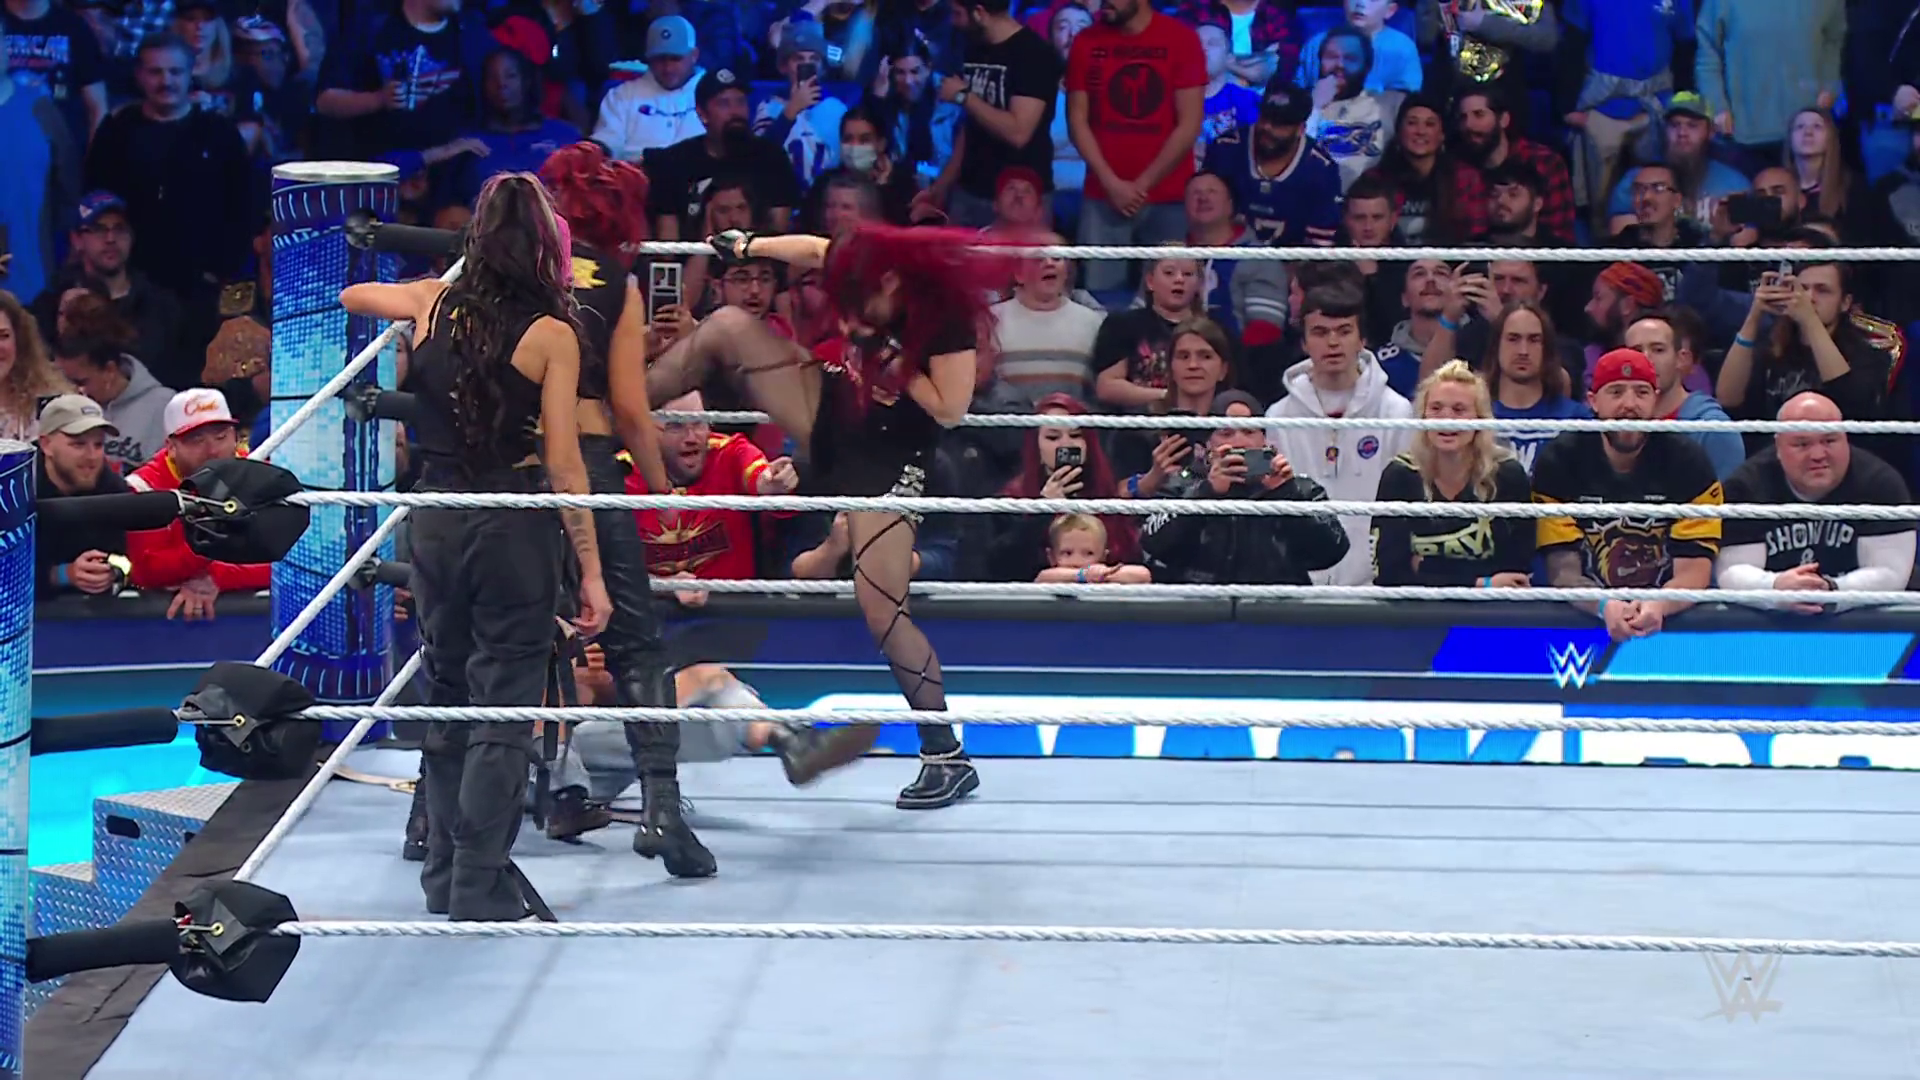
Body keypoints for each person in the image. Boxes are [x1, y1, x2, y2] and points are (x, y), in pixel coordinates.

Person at [641, 223, 999, 811]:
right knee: (728, 325)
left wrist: (894, 361)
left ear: (892, 284)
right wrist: (748, 246)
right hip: (837, 408)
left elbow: (952, 409)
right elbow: (812, 249)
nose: (851, 315)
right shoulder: (862, 266)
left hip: (889, 453)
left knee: (882, 609)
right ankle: (614, 410)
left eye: (862, 304)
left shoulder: (944, 320)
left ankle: (946, 755)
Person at [338, 172, 610, 923]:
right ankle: (477, 884)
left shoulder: (432, 303)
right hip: (510, 522)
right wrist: (591, 570)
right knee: (502, 708)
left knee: (450, 694)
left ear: (477, 243)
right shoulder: (552, 334)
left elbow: (353, 295)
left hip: (436, 517)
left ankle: (444, 876)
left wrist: (434, 288)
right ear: (548, 247)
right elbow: (565, 463)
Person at [534, 141, 714, 878]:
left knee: (496, 635)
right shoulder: (614, 279)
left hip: (506, 469)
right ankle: (661, 811)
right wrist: (662, 492)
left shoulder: (505, 267)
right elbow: (634, 412)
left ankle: (432, 816)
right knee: (637, 643)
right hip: (589, 462)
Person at [1532, 348, 1724, 643]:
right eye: (1616, 392)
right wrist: (1603, 606)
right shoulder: (1560, 461)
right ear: (1593, 401)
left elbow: (1694, 570)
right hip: (1583, 624)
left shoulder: (1688, 462)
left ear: (1655, 399)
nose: (1630, 404)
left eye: (1641, 392)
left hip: (1669, 624)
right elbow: (1562, 571)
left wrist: (1659, 604)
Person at [1717, 392, 1915, 613]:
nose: (1818, 454)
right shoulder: (1746, 486)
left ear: (1846, 437)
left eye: (1829, 440)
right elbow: (1732, 570)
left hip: (1861, 624)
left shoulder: (1880, 483)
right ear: (1778, 446)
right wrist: (1774, 587)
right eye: (1802, 444)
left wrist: (1832, 591)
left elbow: (1891, 572)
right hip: (1770, 623)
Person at [1371, 360, 1532, 587]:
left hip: (1490, 608)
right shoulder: (1400, 475)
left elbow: (1515, 576)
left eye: (1459, 410)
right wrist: (1480, 582)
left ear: (1479, 419)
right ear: (1423, 416)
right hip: (1417, 607)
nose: (1446, 419)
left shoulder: (1507, 476)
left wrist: (1425, 567)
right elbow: (1389, 574)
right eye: (1436, 408)